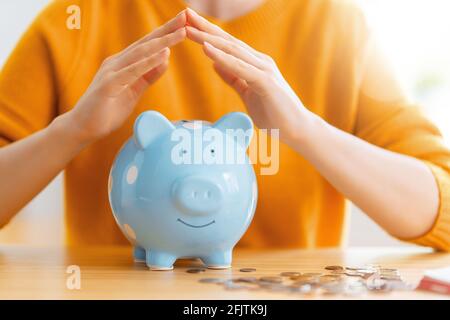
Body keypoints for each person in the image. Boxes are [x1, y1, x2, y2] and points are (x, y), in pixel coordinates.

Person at [0, 0, 448, 250]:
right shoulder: (77, 18)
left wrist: (303, 129)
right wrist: (73, 129)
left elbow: (442, 204)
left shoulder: (338, 26)